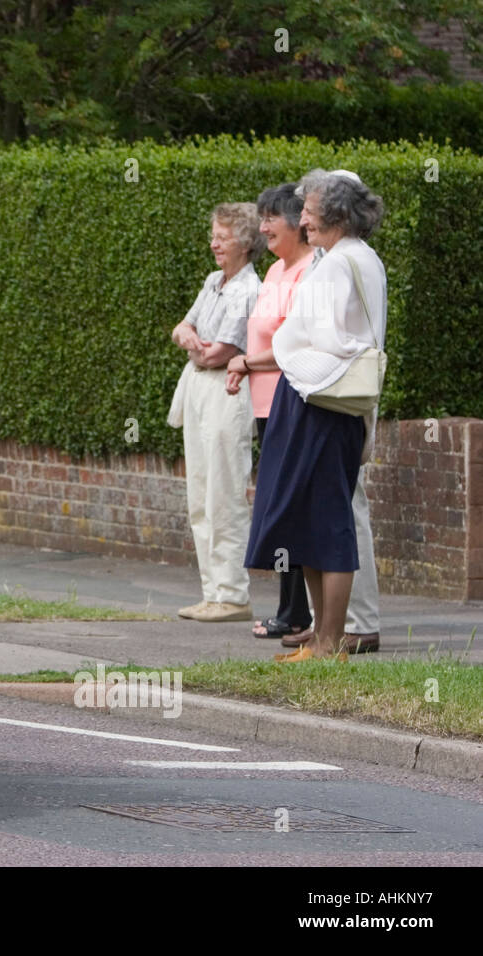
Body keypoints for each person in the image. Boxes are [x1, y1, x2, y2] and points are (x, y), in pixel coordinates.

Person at [237, 169, 386, 661]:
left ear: (337, 213)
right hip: (315, 401)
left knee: (328, 522)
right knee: (311, 521)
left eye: (310, 210)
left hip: (321, 402)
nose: (302, 219)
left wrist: (294, 360)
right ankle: (322, 639)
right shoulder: (345, 258)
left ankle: (330, 643)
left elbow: (333, 341)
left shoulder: (346, 263)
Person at [226, 184, 315, 643]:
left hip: (291, 401)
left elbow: (293, 347)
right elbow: (264, 338)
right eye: (260, 218)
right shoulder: (277, 271)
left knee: (287, 506)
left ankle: (296, 614)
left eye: (270, 218)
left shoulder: (307, 273)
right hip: (265, 402)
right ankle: (290, 610)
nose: (262, 227)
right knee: (276, 506)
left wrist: (245, 362)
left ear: (298, 222)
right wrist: (246, 366)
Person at [168, 203, 264, 623]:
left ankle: (233, 594)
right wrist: (192, 341)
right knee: (199, 492)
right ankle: (212, 592)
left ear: (244, 243)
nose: (213, 244)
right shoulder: (213, 282)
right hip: (198, 389)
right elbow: (183, 329)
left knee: (224, 494)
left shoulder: (249, 289)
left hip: (228, 392)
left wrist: (195, 343)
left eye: (221, 238)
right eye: (213, 236)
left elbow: (217, 352)